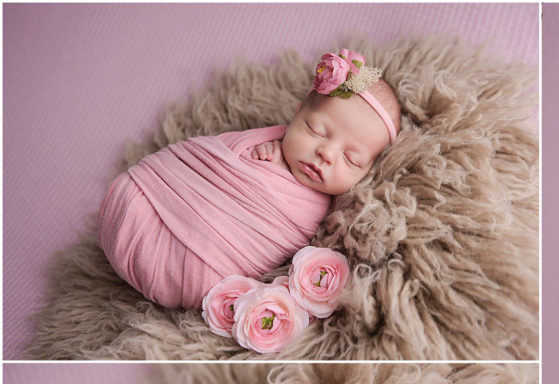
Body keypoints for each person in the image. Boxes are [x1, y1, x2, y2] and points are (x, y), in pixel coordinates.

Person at [98, 49, 402, 310]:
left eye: (350, 159)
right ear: (296, 115)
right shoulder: (265, 141)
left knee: (201, 276)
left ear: (367, 172)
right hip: (140, 205)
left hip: (195, 268)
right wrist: (257, 150)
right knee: (129, 193)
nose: (326, 153)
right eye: (316, 131)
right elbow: (214, 157)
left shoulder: (331, 212)